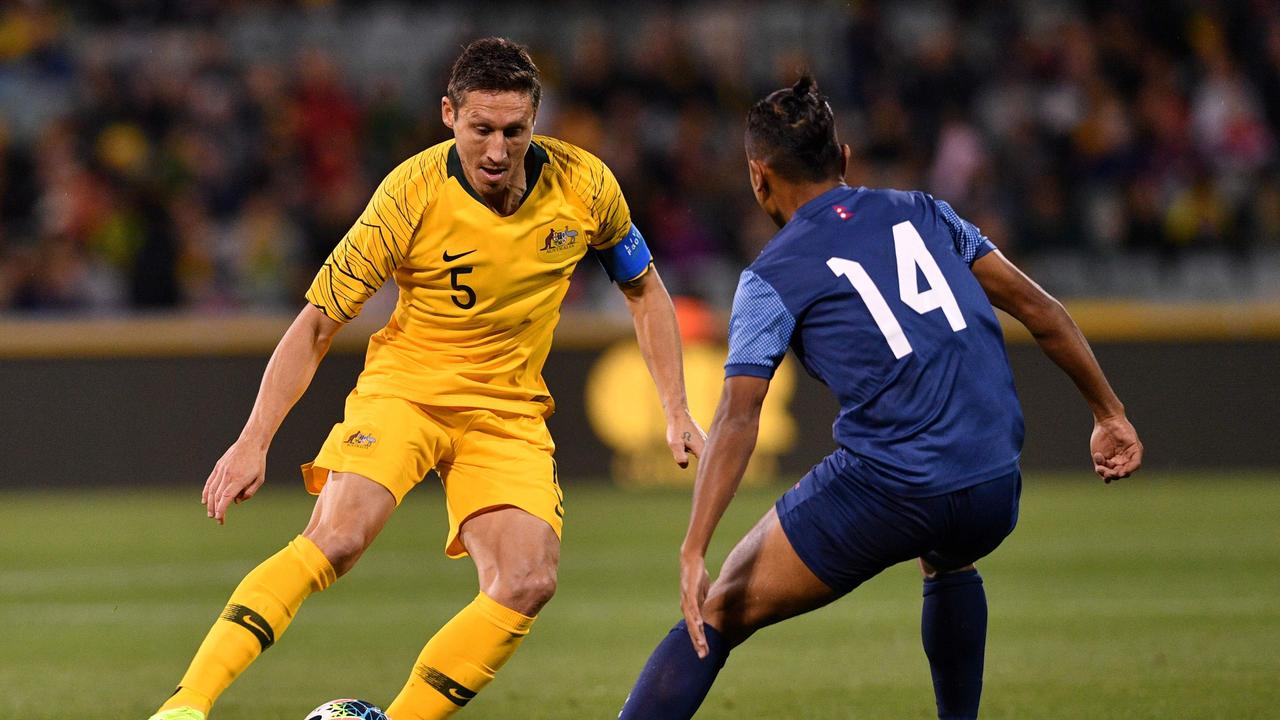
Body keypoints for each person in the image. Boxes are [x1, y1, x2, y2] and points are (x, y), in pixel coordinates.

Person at [149, 37, 705, 720]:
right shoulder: (409, 194)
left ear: (535, 122)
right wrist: (253, 439)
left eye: (514, 131)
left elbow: (646, 290)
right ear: (448, 114)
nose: (498, 150)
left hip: (506, 411)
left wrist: (676, 408)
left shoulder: (585, 184)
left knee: (527, 580)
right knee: (339, 538)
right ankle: (185, 706)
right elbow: (318, 323)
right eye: (481, 129)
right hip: (406, 391)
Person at [617, 76, 1143, 720]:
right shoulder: (927, 212)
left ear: (758, 178)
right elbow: (1042, 309)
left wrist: (694, 546)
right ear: (843, 158)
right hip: (994, 484)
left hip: (891, 488)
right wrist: (1109, 414)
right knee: (947, 558)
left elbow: (738, 415)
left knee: (718, 610)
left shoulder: (771, 275)